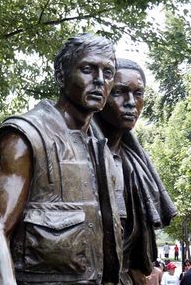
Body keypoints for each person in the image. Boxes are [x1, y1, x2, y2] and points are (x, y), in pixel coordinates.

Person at [0, 33, 123, 284]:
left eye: (108, 73)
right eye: (88, 70)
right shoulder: (24, 138)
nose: (100, 81)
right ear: (61, 76)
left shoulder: (101, 150)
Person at [91, 58, 177, 282]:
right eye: (119, 92)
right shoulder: (73, 155)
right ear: (101, 94)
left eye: (138, 93)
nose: (131, 103)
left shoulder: (136, 166)